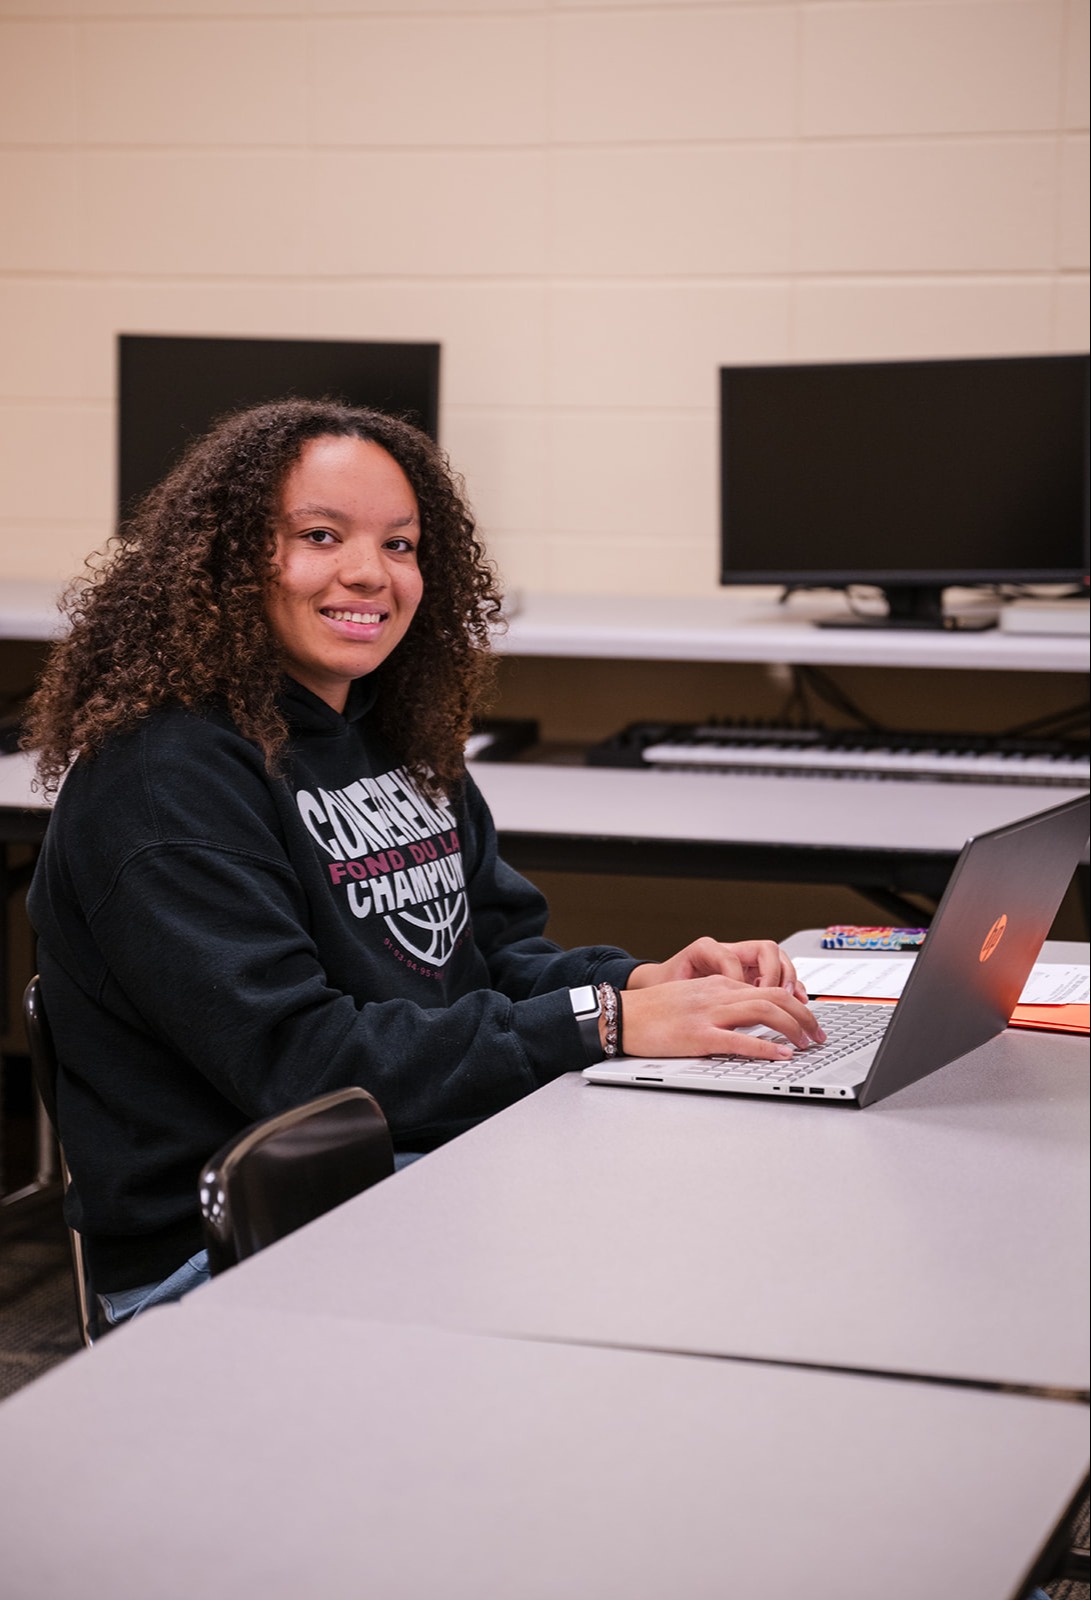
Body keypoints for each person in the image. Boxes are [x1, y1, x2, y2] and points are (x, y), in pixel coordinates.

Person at [24, 397, 823, 1326]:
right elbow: (305, 1066)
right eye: (319, 535)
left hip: (421, 1165)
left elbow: (493, 952)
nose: (369, 574)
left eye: (400, 545)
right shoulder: (163, 780)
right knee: (672, 1285)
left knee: (745, 1216)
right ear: (227, 560)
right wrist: (605, 1023)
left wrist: (644, 980)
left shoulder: (388, 730)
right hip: (233, 1254)